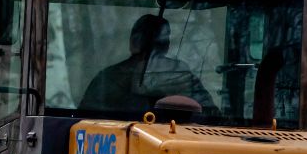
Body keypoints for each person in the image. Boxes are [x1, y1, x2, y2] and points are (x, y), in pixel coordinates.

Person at [79, 13, 217, 115]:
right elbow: (86, 119)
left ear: (132, 43)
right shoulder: (110, 79)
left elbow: (211, 115)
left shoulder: (182, 76)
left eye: (158, 44)